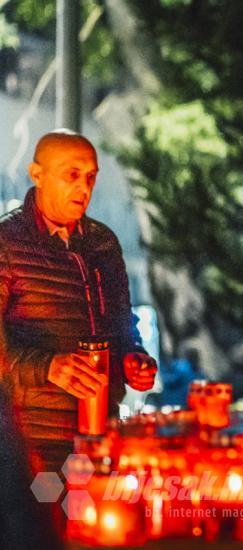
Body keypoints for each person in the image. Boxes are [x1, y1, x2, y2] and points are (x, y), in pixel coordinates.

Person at [0, 130, 157, 474]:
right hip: (31, 443)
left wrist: (134, 357)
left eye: (90, 177)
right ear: (37, 174)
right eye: (71, 175)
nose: (84, 188)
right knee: (46, 522)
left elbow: (122, 323)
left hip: (100, 436)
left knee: (97, 523)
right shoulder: (6, 244)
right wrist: (48, 366)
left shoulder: (102, 243)